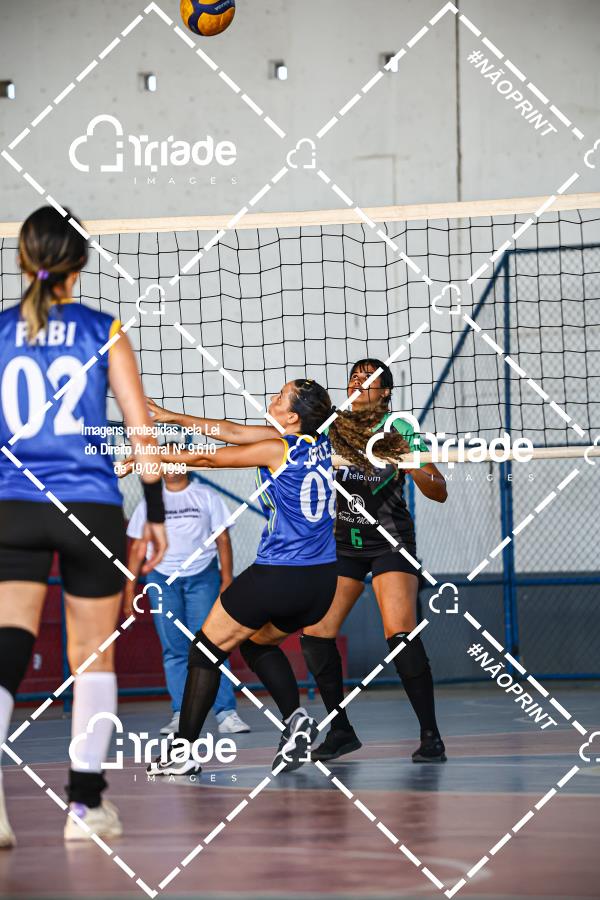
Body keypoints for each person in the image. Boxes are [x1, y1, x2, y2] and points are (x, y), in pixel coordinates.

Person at [0, 206, 167, 846]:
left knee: (7, 646)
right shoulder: (105, 330)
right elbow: (141, 433)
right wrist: (154, 515)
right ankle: (86, 806)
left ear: (24, 259)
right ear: (81, 263)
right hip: (88, 507)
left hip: (13, 505)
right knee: (94, 653)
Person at [130, 379, 339, 774]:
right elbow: (231, 431)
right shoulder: (322, 444)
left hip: (280, 575)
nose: (272, 398)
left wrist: (150, 455)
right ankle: (296, 720)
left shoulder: (278, 449)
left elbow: (209, 459)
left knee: (204, 652)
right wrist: (171, 416)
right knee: (257, 645)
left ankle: (182, 754)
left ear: (293, 417)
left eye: (280, 397)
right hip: (322, 581)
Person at [301, 358, 449, 763]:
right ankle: (341, 730)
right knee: (315, 635)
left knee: (400, 634)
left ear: (385, 392)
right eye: (353, 378)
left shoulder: (399, 427)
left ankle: (431, 736)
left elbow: (439, 490)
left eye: (368, 380)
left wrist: (410, 462)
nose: (358, 383)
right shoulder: (332, 426)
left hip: (389, 542)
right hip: (342, 544)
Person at [124, 469, 250, 735]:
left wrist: (227, 580)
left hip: (202, 578)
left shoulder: (206, 496)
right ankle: (180, 714)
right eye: (165, 462)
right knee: (174, 649)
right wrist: (129, 590)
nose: (171, 467)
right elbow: (137, 547)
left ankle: (226, 713)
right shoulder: (149, 501)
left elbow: (222, 539)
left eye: (176, 459)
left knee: (212, 645)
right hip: (162, 579)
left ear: (186, 463)